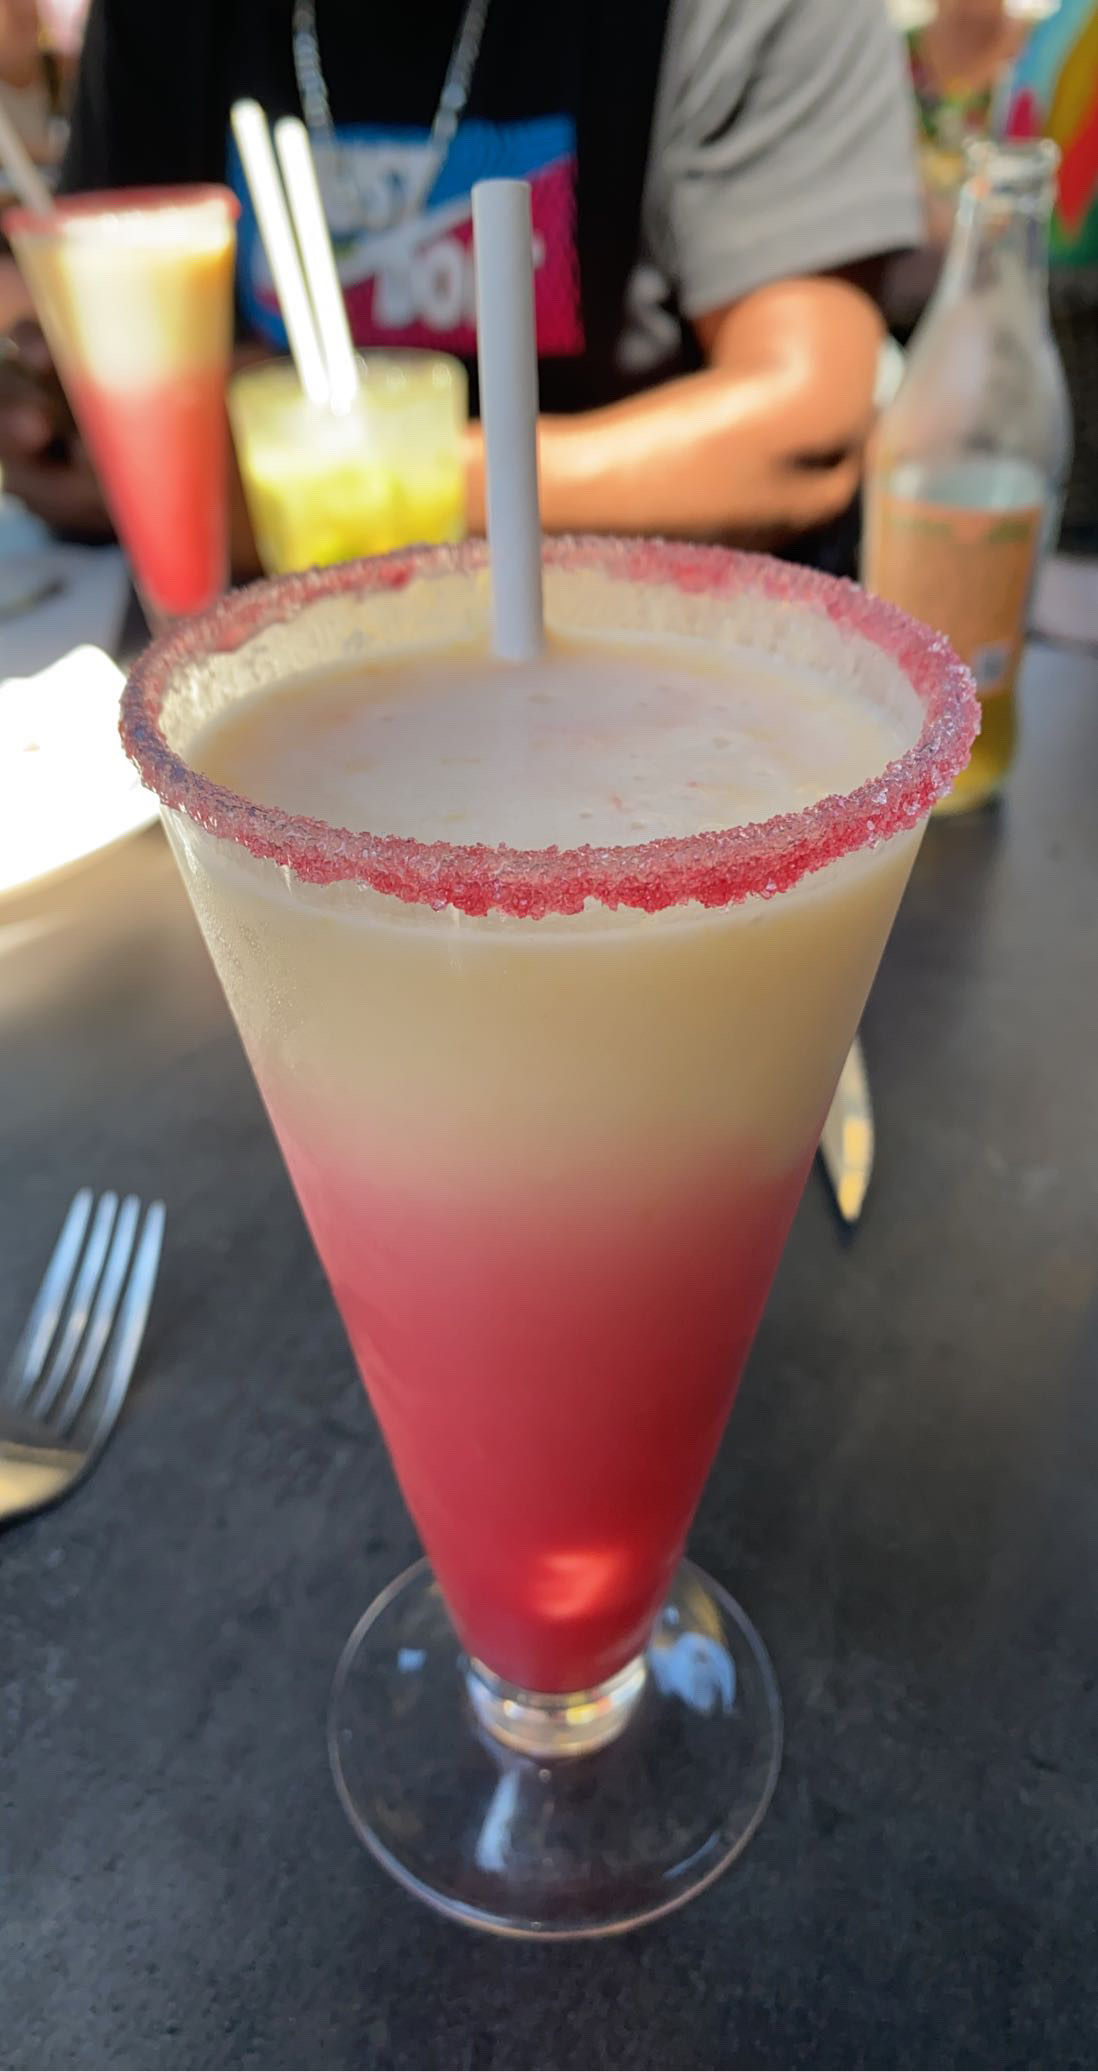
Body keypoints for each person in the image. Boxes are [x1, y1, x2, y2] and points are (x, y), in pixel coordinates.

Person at [0, 0, 922, 568]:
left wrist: (360, 489)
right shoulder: (164, 21)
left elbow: (803, 432)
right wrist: (65, 421)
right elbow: (109, 352)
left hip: (640, 674)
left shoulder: (740, 17)